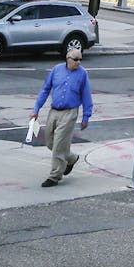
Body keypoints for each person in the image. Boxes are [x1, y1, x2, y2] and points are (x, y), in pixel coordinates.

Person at [30, 48, 93, 188]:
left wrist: (86, 116)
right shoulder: (56, 70)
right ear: (68, 59)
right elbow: (45, 89)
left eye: (80, 59)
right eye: (76, 59)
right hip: (54, 111)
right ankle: (71, 158)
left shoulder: (82, 74)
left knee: (59, 144)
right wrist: (36, 109)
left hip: (70, 113)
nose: (78, 62)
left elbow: (86, 96)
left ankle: (55, 176)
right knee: (50, 142)